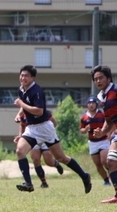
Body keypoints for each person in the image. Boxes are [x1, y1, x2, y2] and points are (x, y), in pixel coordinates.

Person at [14, 65, 91, 193]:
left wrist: (21, 105)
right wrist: (19, 113)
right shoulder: (21, 90)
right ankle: (28, 183)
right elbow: (25, 105)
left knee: (61, 158)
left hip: (44, 127)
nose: (23, 78)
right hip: (31, 128)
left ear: (33, 78)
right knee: (20, 151)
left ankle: (84, 175)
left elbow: (39, 111)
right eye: (21, 75)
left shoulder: (37, 91)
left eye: (26, 75)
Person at [14, 110, 64, 188]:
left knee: (48, 161)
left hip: (44, 137)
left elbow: (54, 122)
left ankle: (56, 164)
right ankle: (44, 182)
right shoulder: (24, 113)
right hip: (33, 138)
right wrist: (20, 136)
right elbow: (22, 125)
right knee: (36, 160)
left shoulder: (40, 110)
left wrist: (48, 132)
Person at [90, 65, 117, 203]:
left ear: (108, 78)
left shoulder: (116, 91)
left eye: (101, 78)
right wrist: (102, 131)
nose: (98, 81)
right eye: (95, 79)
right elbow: (109, 121)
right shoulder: (102, 97)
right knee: (111, 161)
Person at [80, 96, 110, 186]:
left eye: (93, 103)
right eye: (89, 103)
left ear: (96, 104)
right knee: (98, 164)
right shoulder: (84, 117)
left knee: (104, 161)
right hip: (92, 143)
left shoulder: (102, 115)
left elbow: (109, 124)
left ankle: (113, 173)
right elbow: (81, 130)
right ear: (87, 105)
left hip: (103, 140)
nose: (91, 105)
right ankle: (106, 180)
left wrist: (108, 134)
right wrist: (85, 130)